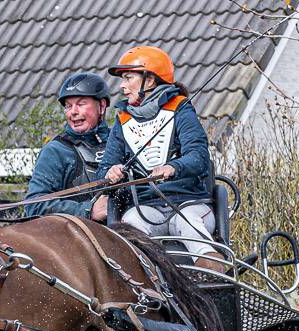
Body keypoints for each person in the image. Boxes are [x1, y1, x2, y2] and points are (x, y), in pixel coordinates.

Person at [91, 46, 225, 272]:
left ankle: (213, 276)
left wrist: (173, 167)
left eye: (128, 78)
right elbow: (104, 168)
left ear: (150, 80)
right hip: (146, 208)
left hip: (188, 205)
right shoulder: (122, 121)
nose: (122, 86)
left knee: (189, 223)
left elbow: (199, 157)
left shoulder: (181, 109)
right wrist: (109, 172)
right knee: (131, 225)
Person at [23, 72, 111, 218]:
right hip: (76, 236)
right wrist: (88, 211)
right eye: (68, 106)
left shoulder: (120, 140)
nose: (73, 112)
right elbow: (34, 205)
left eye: (81, 104)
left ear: (101, 106)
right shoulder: (55, 151)